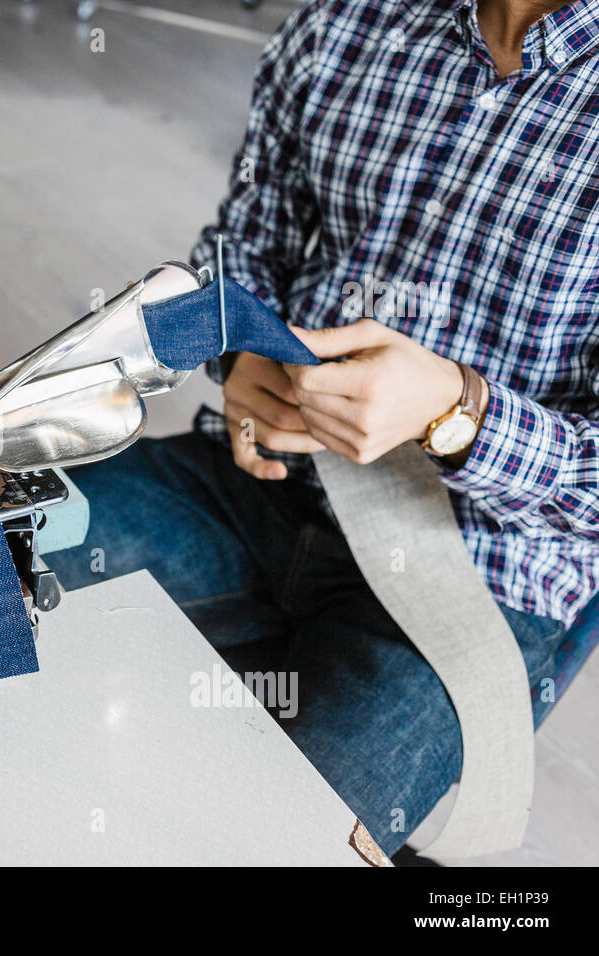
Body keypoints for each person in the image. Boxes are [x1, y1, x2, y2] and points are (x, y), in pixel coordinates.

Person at [46, 0, 599, 857]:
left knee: (276, 846)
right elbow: (243, 246)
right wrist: (241, 354)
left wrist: (456, 415)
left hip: (480, 571)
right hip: (254, 485)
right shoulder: (346, 22)